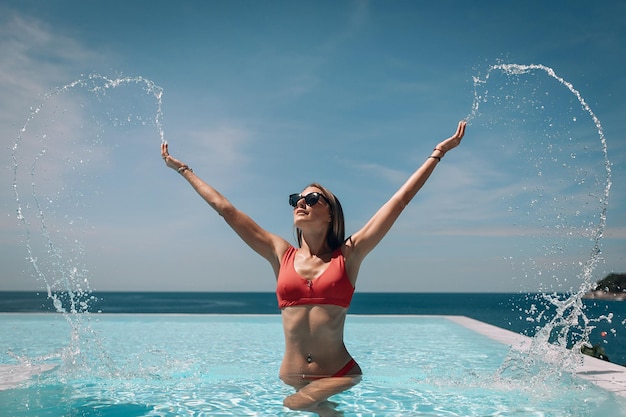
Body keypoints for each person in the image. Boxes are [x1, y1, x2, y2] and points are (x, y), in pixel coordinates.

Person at [161, 121, 466, 414]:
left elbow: (399, 202)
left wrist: (438, 153)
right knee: (317, 409)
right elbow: (226, 210)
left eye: (312, 198)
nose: (301, 202)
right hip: (292, 378)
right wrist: (185, 170)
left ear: (331, 214)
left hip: (339, 373)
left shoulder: (350, 254)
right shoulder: (280, 254)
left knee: (294, 404)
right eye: (297, 198)